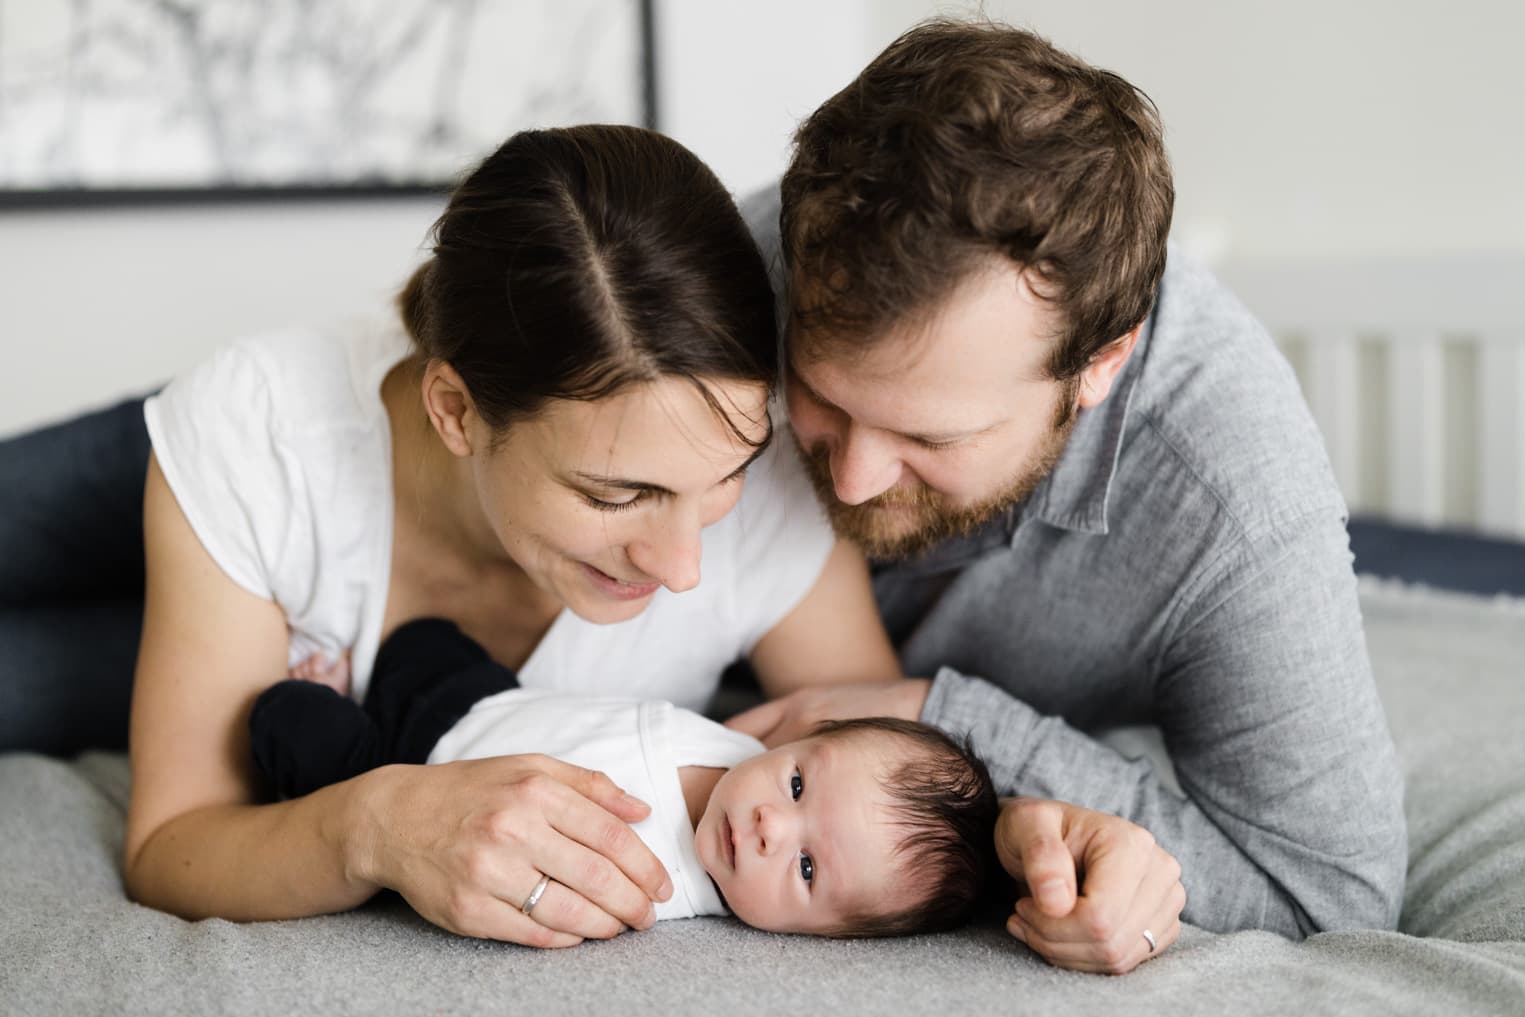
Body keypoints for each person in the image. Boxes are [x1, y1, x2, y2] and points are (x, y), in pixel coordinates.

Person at [0, 123, 908, 949]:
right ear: (456, 411)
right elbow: (167, 849)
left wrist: (1024, 819)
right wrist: (376, 824)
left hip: (255, 612)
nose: (682, 567)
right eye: (616, 494)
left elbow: (898, 777)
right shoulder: (260, 436)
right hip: (252, 475)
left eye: (725, 478)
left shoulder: (781, 486)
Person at [728, 18, 1407, 974]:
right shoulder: (738, 270)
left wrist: (948, 722)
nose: (848, 479)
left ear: (1099, 364)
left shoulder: (1230, 501)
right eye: (822, 398)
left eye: (930, 437)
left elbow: (1328, 890)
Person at [249, 617, 1000, 937]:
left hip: (415, 785)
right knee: (423, 636)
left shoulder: (655, 887)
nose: (773, 823)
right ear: (802, 736)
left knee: (288, 720)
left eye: (806, 867)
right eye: (800, 785)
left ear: (824, 935)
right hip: (487, 699)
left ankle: (337, 699)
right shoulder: (747, 751)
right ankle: (363, 673)